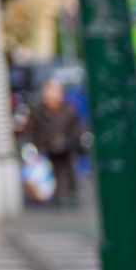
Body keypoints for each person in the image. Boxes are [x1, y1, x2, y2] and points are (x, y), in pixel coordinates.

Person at [24, 78, 85, 206]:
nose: (51, 95)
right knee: (51, 173)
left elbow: (77, 130)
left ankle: (70, 195)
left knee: (68, 170)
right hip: (46, 150)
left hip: (66, 149)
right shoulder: (38, 112)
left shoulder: (69, 111)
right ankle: (56, 196)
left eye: (54, 92)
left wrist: (69, 142)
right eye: (48, 92)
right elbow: (32, 132)